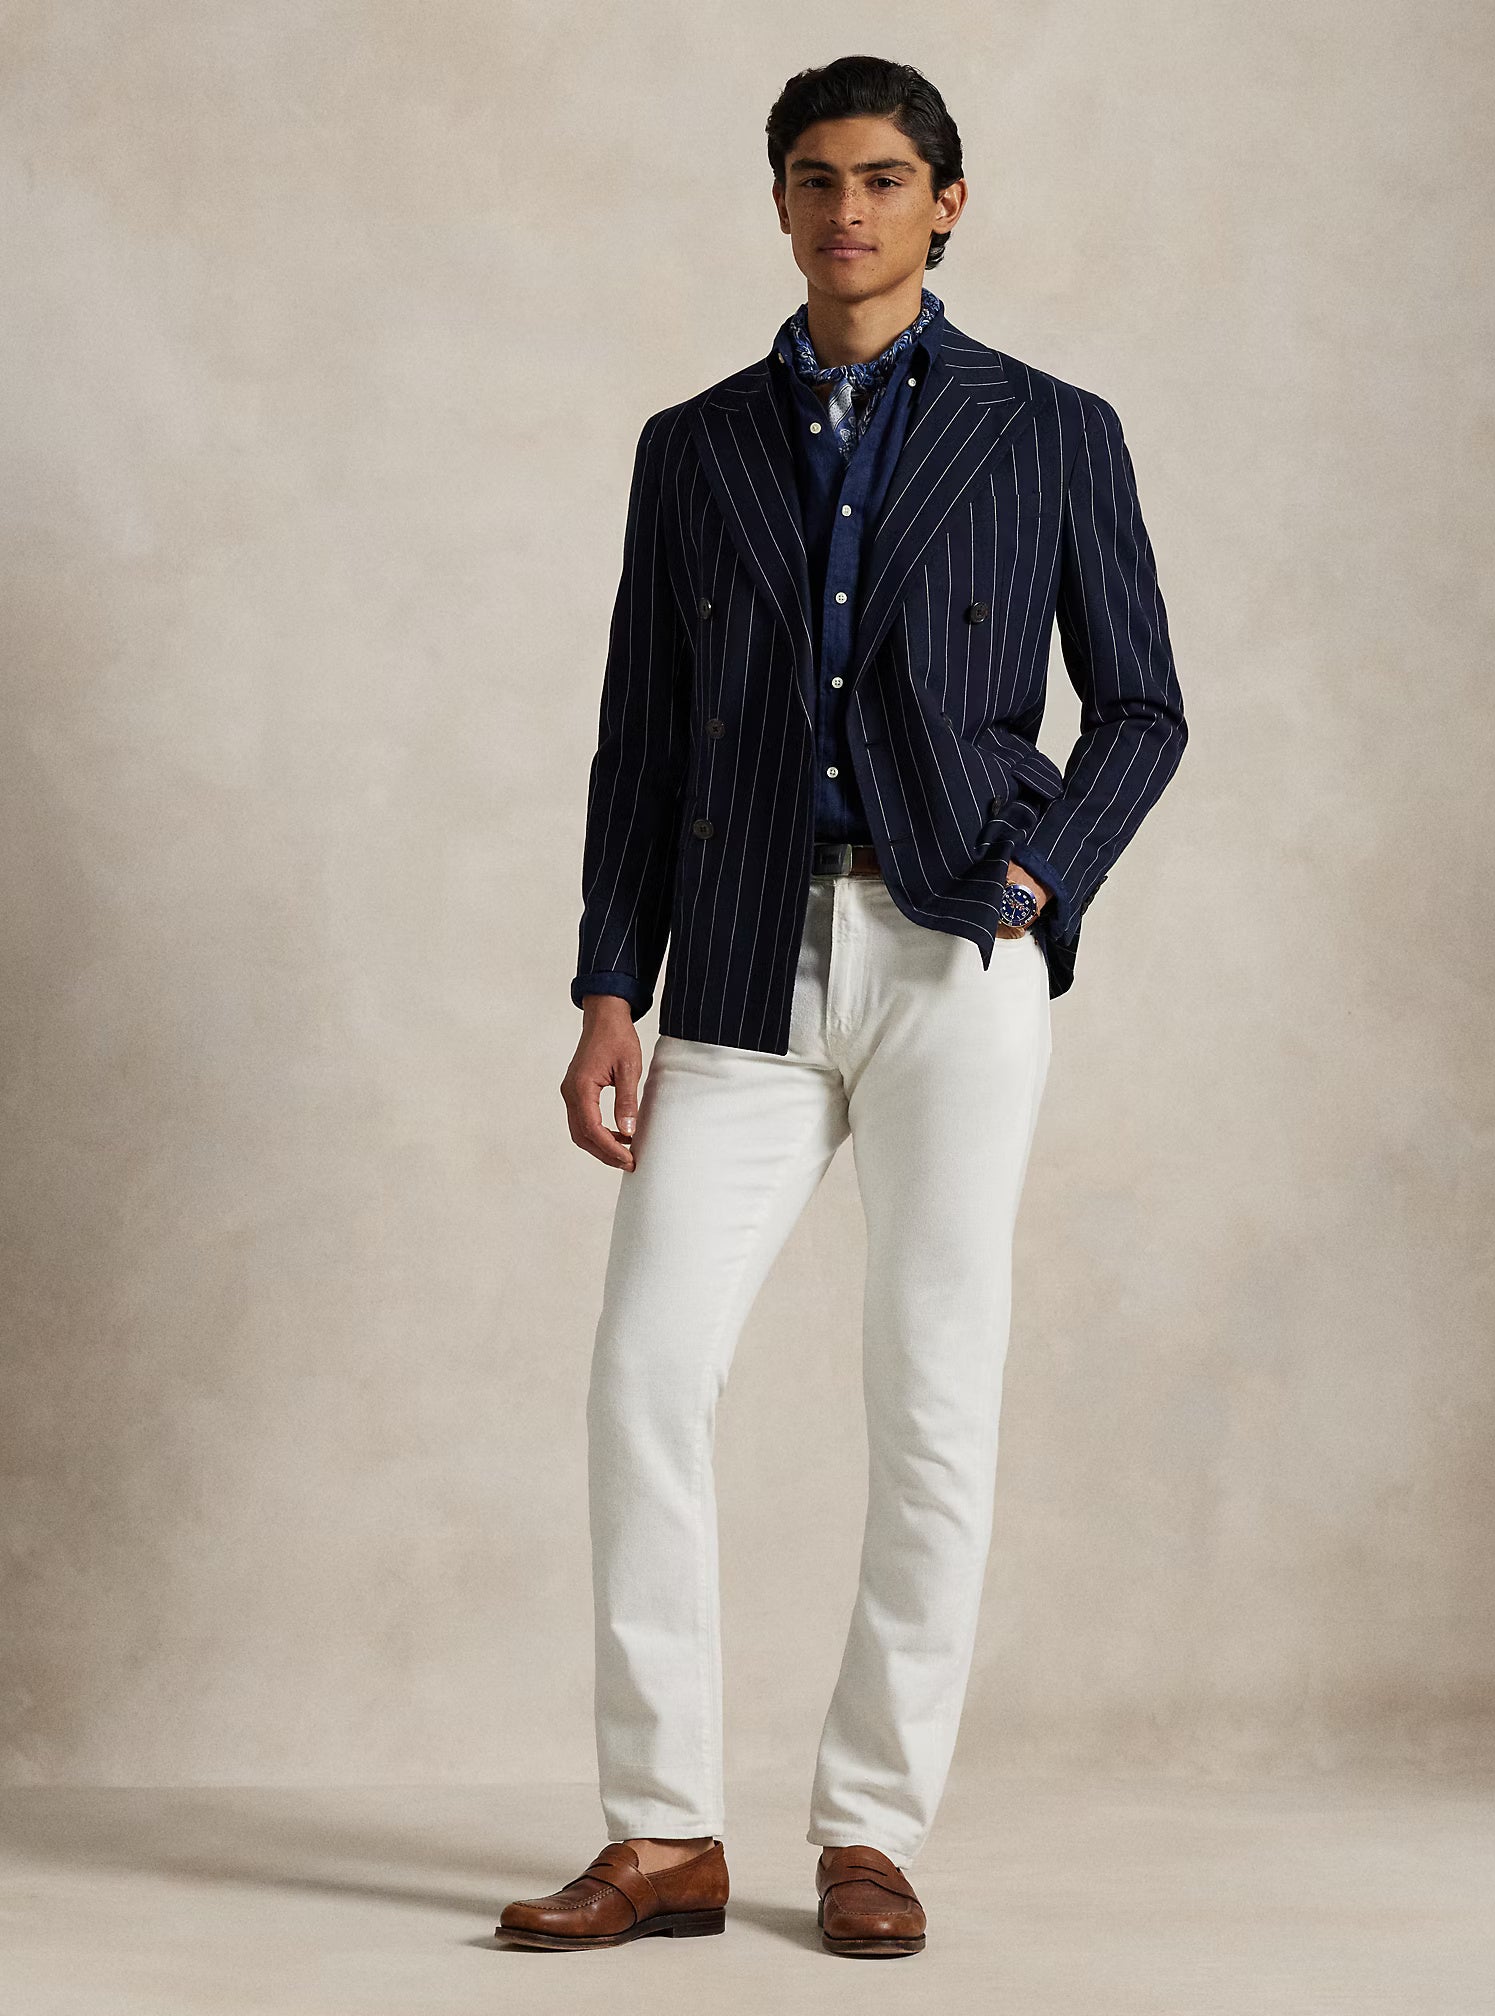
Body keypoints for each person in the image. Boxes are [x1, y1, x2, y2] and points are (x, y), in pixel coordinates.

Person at [497, 53, 1188, 1958]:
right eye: (814, 178)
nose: (847, 209)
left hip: (953, 951)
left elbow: (1141, 706)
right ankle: (663, 1835)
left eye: (882, 178)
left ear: (945, 203)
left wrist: (1036, 886)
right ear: (781, 203)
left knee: (932, 1394)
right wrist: (606, 984)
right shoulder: (693, 444)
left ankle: (870, 1831)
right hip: (737, 957)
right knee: (646, 1375)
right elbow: (640, 738)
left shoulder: (1053, 431)